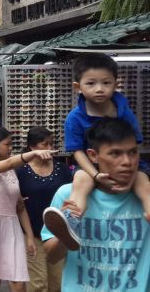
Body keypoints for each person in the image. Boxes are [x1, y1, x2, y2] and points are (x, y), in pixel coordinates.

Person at [49, 54, 150, 248]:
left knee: (143, 182)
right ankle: (71, 220)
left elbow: (134, 145)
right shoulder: (74, 118)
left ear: (116, 84)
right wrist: (95, 175)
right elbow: (77, 151)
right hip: (90, 164)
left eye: (106, 83)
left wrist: (130, 175)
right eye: (91, 83)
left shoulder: (124, 111)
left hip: (123, 162)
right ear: (78, 87)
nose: (99, 89)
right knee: (81, 181)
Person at [42, 118, 150, 291]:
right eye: (115, 153)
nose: (127, 162)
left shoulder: (145, 198)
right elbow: (52, 256)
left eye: (132, 152)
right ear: (93, 155)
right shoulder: (67, 194)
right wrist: (67, 232)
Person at [0, 126, 56, 292]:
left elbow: (20, 206)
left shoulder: (11, 171)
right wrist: (33, 153)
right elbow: (10, 162)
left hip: (12, 226)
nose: (10, 147)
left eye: (12, 144)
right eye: (7, 144)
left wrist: (29, 237)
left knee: (19, 283)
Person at [15, 127, 72, 292]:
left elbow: (71, 195)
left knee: (58, 282)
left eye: (51, 143)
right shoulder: (21, 171)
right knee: (39, 284)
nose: (49, 148)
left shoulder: (62, 169)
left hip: (58, 234)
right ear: (32, 147)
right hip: (34, 234)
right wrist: (28, 237)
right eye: (44, 144)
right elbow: (17, 204)